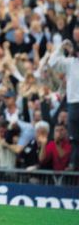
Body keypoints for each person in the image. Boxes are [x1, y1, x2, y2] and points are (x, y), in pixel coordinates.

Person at [49, 39, 79, 170]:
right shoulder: (71, 63)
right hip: (73, 104)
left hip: (73, 104)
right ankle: (73, 164)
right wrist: (61, 48)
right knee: (74, 138)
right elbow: (52, 62)